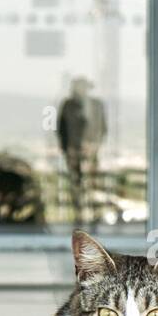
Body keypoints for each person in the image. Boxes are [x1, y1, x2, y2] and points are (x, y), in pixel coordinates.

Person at [56, 77, 107, 225]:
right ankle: (79, 215)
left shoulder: (97, 105)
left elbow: (102, 128)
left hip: (91, 151)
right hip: (73, 151)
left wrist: (94, 146)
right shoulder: (68, 105)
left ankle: (94, 215)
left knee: (92, 184)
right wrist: (68, 149)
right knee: (76, 184)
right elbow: (62, 130)